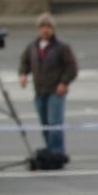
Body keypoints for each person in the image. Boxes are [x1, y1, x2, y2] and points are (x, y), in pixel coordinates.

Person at [19, 12, 78, 161]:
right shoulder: (33, 47)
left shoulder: (62, 47)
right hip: (39, 90)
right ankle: (50, 150)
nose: (45, 30)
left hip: (55, 91)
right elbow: (24, 62)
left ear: (53, 29)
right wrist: (23, 74)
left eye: (48, 27)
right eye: (42, 27)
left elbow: (72, 68)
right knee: (45, 124)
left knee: (54, 124)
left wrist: (64, 82)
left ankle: (57, 152)